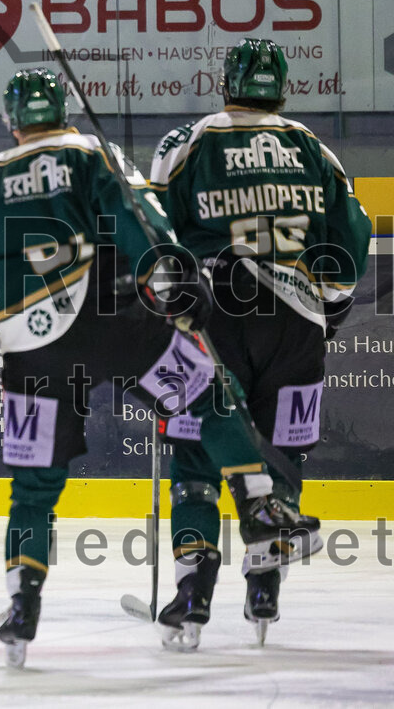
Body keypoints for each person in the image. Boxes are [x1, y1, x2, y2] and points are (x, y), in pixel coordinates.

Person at [0, 67, 322, 665]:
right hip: (120, 326)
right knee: (207, 396)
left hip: (34, 353)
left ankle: (23, 605)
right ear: (63, 109)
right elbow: (139, 218)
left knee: (33, 487)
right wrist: (172, 275)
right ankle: (259, 505)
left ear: (11, 121)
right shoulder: (95, 155)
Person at [148, 39, 372, 642]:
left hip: (212, 312)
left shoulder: (186, 142)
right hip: (295, 318)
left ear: (226, 82)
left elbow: (150, 225)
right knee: (284, 454)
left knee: (195, 455)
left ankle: (192, 592)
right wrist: (332, 306)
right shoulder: (313, 149)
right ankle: (265, 590)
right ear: (282, 87)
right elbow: (353, 236)